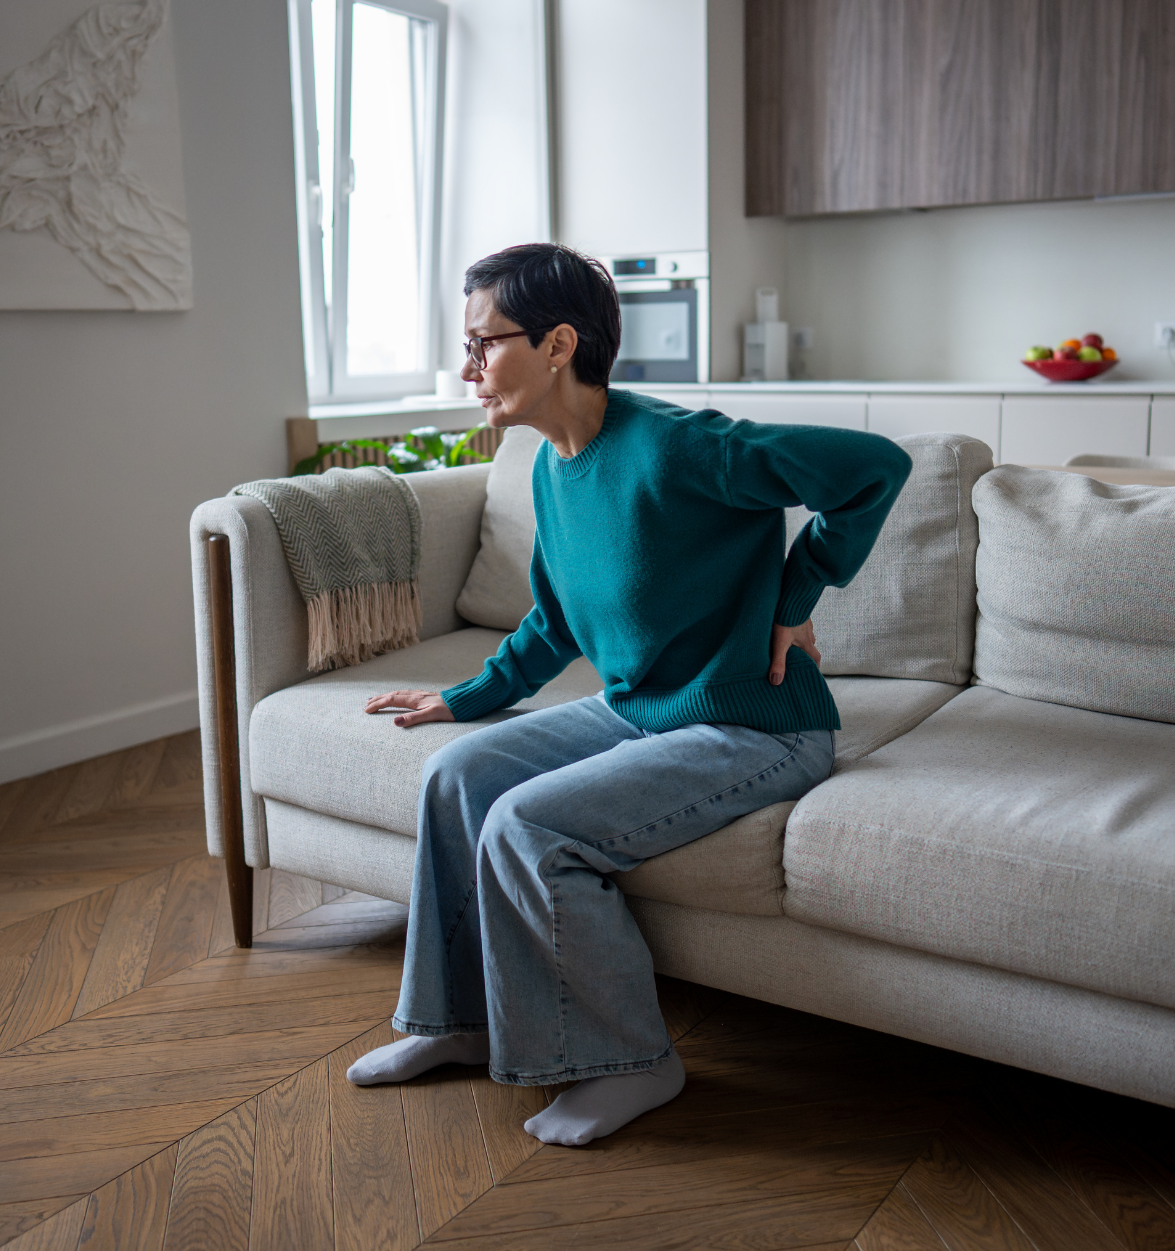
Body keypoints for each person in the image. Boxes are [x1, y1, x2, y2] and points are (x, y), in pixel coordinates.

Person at [346, 243, 910, 1146]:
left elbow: (873, 467)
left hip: (752, 724)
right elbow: (555, 621)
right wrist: (468, 698)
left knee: (529, 825)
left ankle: (633, 1061)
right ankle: (459, 1022)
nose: (468, 369)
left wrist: (795, 595)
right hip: (641, 711)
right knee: (455, 777)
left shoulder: (684, 447)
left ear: (559, 343)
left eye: (484, 344)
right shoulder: (551, 469)